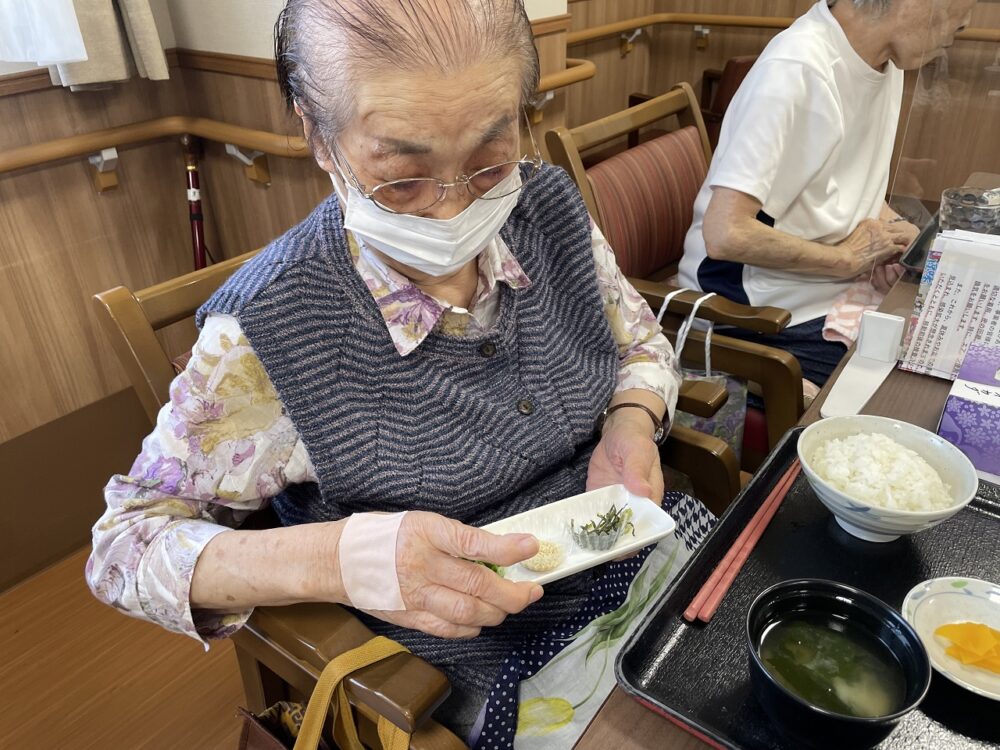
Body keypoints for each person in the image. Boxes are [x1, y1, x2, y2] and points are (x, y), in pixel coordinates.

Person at [86, 1, 706, 745]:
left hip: (639, 565)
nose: (453, 210)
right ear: (318, 135)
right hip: (482, 658)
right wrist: (337, 560)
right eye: (403, 179)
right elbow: (123, 547)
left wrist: (630, 422)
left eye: (489, 161)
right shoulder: (270, 329)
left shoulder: (547, 207)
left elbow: (638, 342)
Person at [678, 0, 976, 386]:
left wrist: (900, 233)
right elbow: (726, 233)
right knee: (911, 387)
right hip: (751, 310)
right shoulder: (796, 69)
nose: (966, 21)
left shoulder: (885, 63)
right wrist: (843, 259)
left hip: (827, 291)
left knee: (954, 344)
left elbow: (840, 189)